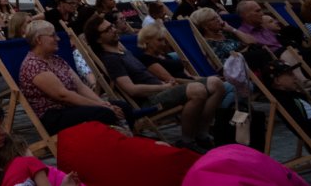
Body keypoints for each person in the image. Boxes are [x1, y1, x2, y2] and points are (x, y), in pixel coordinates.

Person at [85, 12, 222, 151]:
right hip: (149, 100)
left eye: (112, 26)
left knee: (216, 84)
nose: (114, 29)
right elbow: (131, 89)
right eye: (107, 30)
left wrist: (167, 83)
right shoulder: (111, 59)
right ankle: (187, 141)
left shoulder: (123, 52)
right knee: (197, 90)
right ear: (99, 40)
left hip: (161, 89)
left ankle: (202, 134)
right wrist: (163, 87)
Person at [18, 20, 125, 134]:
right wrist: (102, 106)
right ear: (39, 39)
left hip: (71, 108)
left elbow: (80, 87)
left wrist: (104, 104)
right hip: (54, 116)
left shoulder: (56, 59)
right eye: (53, 35)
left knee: (121, 106)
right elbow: (63, 95)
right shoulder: (33, 65)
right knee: (104, 113)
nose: (58, 39)